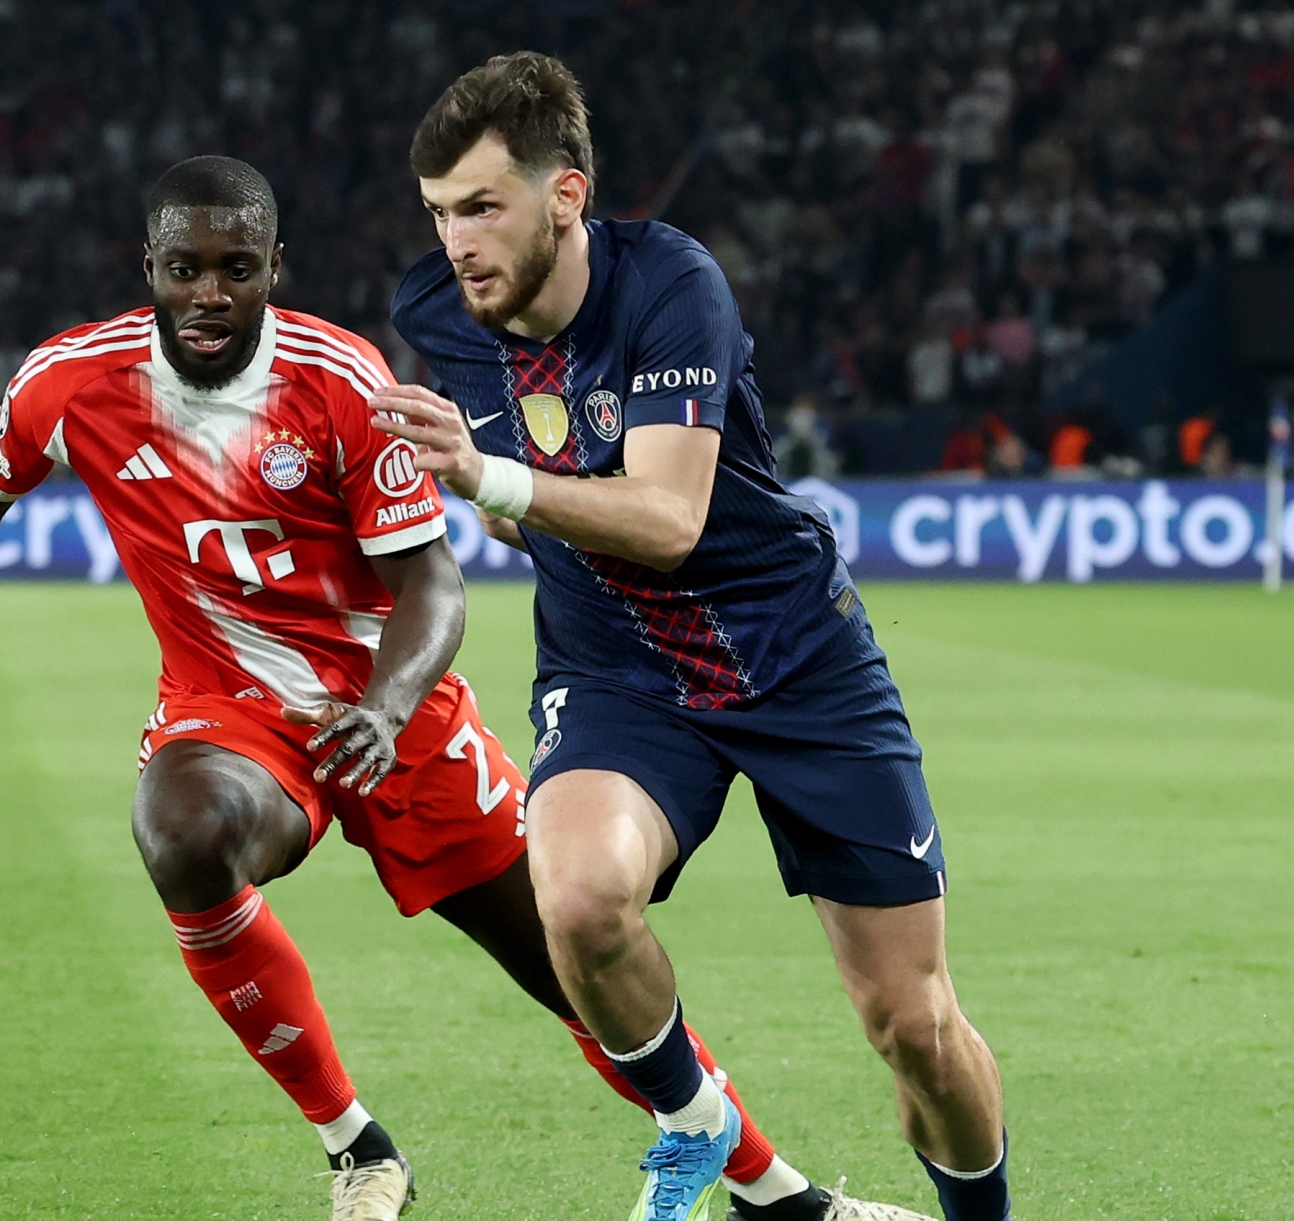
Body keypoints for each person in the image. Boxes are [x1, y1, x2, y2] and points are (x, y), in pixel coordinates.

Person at [0, 156, 859, 1221]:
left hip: (393, 709)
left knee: (574, 967)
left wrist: (389, 709)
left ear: (276, 267)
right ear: (150, 270)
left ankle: (774, 1194)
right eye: (184, 269)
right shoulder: (71, 381)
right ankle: (359, 1149)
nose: (208, 294)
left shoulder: (341, 379)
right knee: (183, 833)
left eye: (235, 268)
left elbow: (430, 583)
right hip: (230, 714)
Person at [383, 54, 1007, 1221]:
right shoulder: (436, 314)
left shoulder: (670, 282)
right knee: (574, 902)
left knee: (911, 1023)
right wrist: (499, 501)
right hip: (619, 670)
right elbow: (531, 510)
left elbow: (668, 521)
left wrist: (493, 481)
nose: (457, 241)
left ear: (564, 196)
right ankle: (693, 1127)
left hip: (796, 660)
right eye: (438, 213)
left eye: (482, 207)